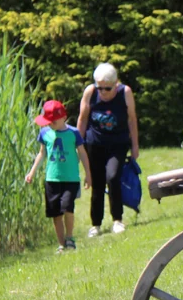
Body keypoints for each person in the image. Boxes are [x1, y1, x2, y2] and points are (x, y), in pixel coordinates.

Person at [77, 63, 139, 237]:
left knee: (112, 177)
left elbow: (132, 120)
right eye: (100, 87)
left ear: (115, 84)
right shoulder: (90, 92)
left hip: (118, 144)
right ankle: (95, 224)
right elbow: (82, 120)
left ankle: (117, 220)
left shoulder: (125, 93)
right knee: (96, 183)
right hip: (94, 144)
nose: (102, 92)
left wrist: (135, 145)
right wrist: (77, 145)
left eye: (107, 88)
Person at [25, 100, 92, 253]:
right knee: (56, 213)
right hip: (52, 179)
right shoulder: (44, 133)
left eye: (52, 122)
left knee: (68, 208)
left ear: (63, 118)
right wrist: (32, 172)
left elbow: (82, 153)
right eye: (47, 122)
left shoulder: (73, 133)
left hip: (71, 179)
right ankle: (61, 244)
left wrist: (88, 174)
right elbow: (42, 154)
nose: (49, 125)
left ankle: (70, 238)